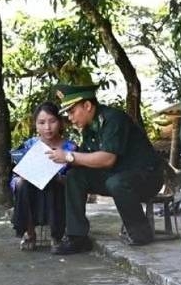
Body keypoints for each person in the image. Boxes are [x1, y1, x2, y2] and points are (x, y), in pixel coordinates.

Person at [47, 82, 164, 254]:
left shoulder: (113, 119)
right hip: (115, 177)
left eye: (72, 111)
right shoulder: (89, 128)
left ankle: (141, 233)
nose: (70, 118)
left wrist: (68, 156)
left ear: (87, 106)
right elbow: (86, 159)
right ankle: (77, 237)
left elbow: (107, 159)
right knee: (75, 176)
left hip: (147, 177)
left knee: (116, 182)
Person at [10, 102, 75, 251]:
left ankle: (56, 236)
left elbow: (76, 179)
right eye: (42, 122)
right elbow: (13, 178)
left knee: (52, 184)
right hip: (31, 190)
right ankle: (29, 233)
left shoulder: (70, 148)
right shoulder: (28, 146)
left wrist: (58, 177)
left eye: (52, 121)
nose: (47, 127)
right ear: (36, 125)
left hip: (58, 192)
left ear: (60, 122)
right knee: (21, 184)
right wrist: (23, 176)